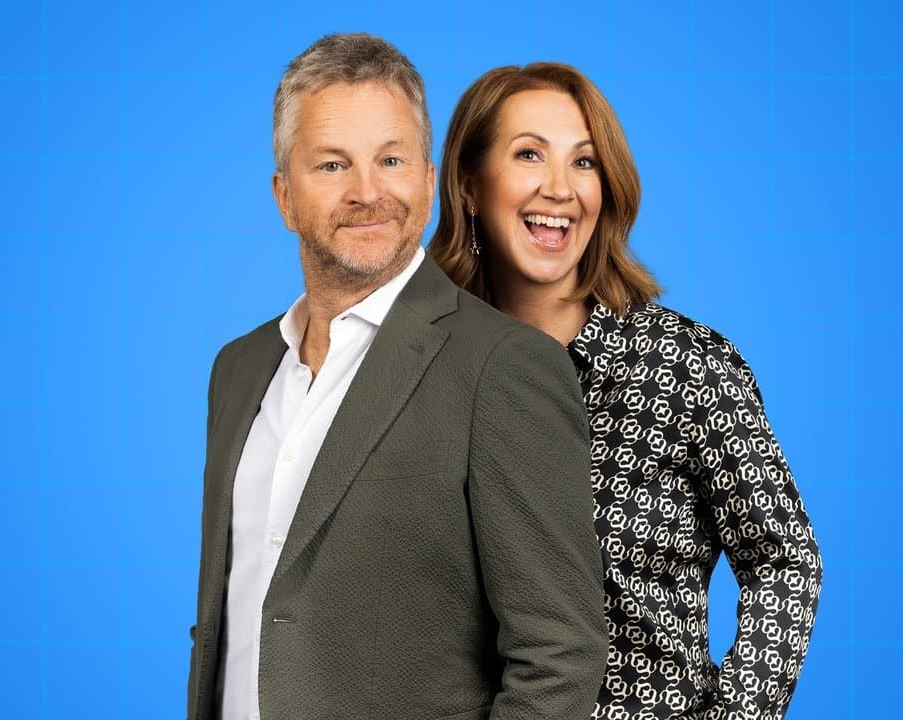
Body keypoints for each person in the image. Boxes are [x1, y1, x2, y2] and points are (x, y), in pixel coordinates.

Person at [186, 35, 609, 720]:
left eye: (391, 159)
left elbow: (561, 653)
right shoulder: (238, 369)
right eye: (332, 164)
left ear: (427, 177)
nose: (367, 192)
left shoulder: (504, 366)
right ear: (284, 196)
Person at [429, 63, 822, 719]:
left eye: (584, 162)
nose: (560, 188)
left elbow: (784, 559)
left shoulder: (684, 365)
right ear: (470, 184)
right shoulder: (426, 366)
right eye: (529, 154)